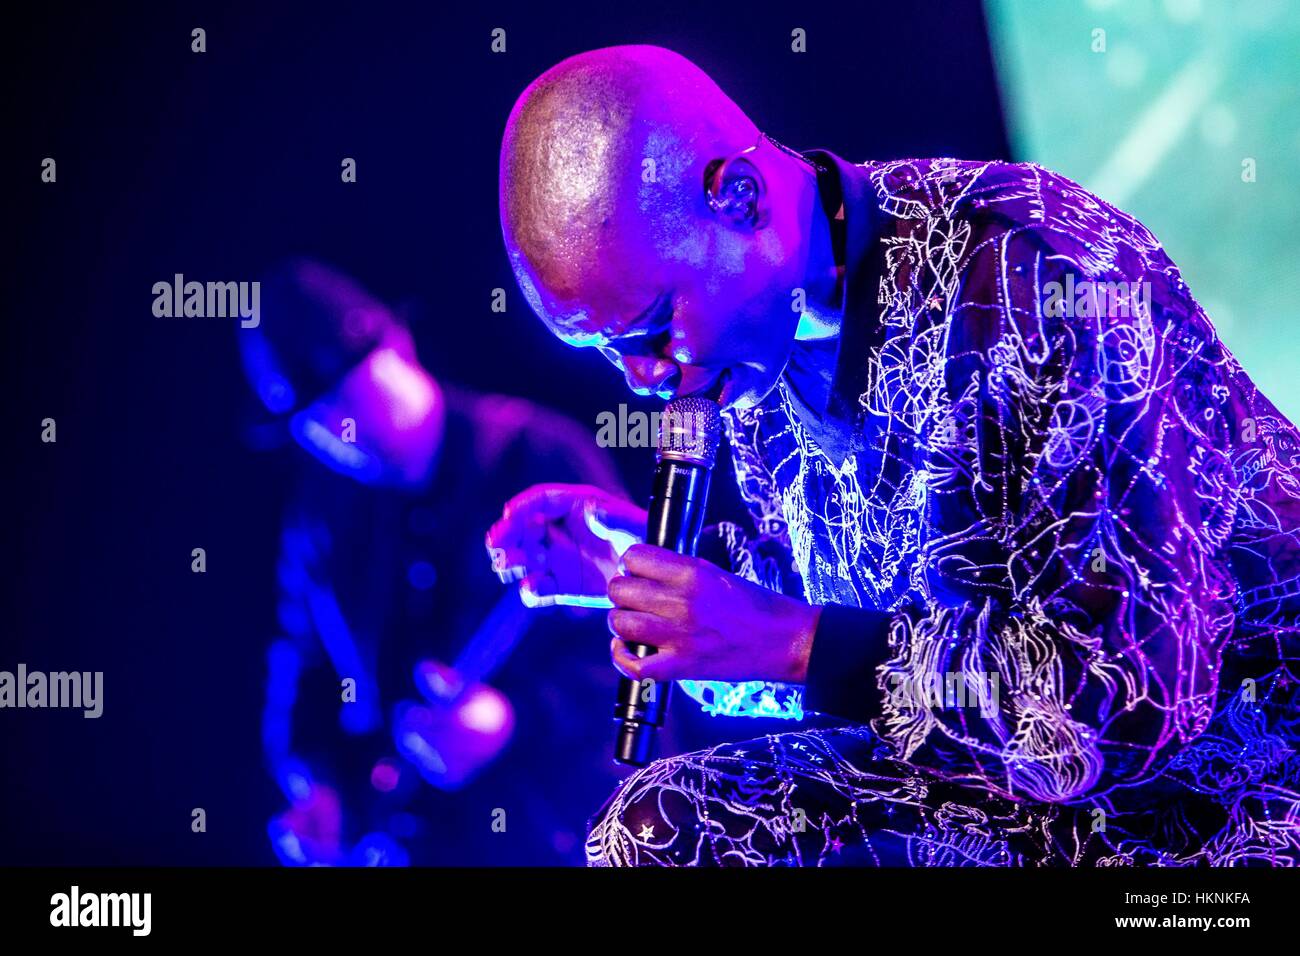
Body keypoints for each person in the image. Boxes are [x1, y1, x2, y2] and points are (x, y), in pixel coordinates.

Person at [486, 45, 1300, 866]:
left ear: (738, 196)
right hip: (1019, 800)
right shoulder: (753, 352)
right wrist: (646, 578)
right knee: (660, 832)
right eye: (608, 352)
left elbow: (1129, 704)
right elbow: (865, 631)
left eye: (652, 328)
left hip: (1226, 799)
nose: (645, 381)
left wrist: (796, 642)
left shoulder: (1035, 273)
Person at [242, 258, 627, 865]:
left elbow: (641, 637)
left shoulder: (541, 458)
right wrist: (316, 784)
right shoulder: (321, 515)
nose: (335, 430)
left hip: (567, 836)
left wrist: (513, 718)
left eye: (346, 392)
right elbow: (303, 658)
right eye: (311, 422)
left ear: (397, 341)